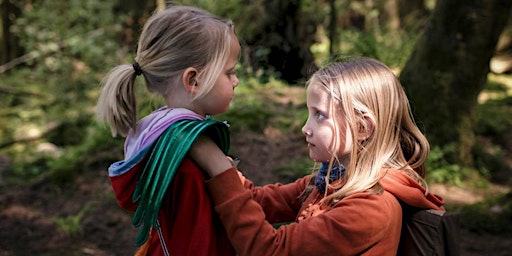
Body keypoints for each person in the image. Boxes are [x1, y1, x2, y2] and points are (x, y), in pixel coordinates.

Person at [189, 57, 445, 255]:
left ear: (362, 128)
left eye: (319, 115)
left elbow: (270, 249)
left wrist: (218, 168)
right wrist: (224, 171)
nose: (305, 127)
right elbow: (258, 200)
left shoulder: (371, 208)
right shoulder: (328, 182)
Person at [96, 5, 240, 256]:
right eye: (229, 73)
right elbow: (196, 244)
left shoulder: (161, 132)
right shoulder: (184, 162)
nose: (236, 81)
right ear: (193, 80)